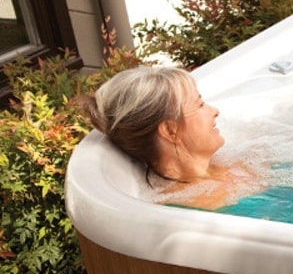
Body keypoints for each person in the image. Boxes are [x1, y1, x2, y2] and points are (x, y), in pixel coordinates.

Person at [75, 65, 258, 209]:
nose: (214, 111)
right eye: (200, 104)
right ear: (171, 130)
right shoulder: (203, 206)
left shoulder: (233, 166)